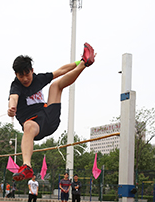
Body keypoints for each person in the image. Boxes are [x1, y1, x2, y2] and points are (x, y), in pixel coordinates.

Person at [8, 43, 96, 181]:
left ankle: (84, 64)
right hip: (34, 124)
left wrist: (80, 61)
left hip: (49, 117)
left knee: (55, 85)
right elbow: (13, 97)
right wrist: (11, 108)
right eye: (21, 76)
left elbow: (61, 70)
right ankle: (27, 166)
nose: (25, 79)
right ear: (16, 74)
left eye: (27, 74)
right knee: (28, 126)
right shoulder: (16, 86)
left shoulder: (38, 79)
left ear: (32, 70)